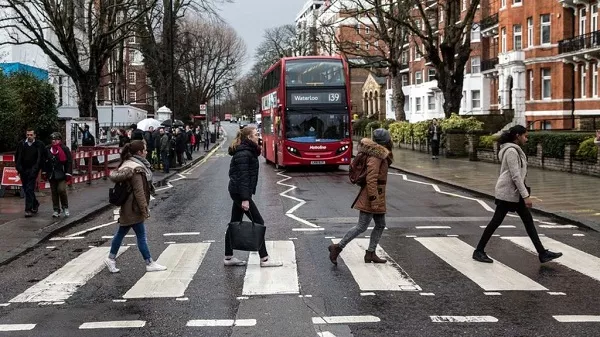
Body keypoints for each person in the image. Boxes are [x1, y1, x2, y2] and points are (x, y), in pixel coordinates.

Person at [473, 125, 562, 264]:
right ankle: (478, 251)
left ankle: (542, 253)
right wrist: (526, 196)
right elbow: (515, 176)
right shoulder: (511, 151)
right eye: (525, 136)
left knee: (528, 221)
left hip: (513, 192)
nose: (526, 139)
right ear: (517, 136)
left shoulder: (513, 150)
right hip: (508, 192)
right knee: (496, 222)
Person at [328, 128, 393, 265]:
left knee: (380, 224)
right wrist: (374, 199)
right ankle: (338, 247)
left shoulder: (381, 154)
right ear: (385, 141)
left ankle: (370, 253)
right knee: (361, 226)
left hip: (377, 194)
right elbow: (371, 178)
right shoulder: (376, 156)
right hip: (372, 195)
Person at [104, 140, 166, 273]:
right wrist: (144, 209)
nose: (147, 151)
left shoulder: (129, 163)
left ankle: (111, 259)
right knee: (140, 235)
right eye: (145, 149)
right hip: (133, 207)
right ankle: (149, 263)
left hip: (128, 207)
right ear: (139, 152)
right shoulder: (136, 168)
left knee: (122, 233)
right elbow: (139, 192)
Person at [224, 126, 282, 267]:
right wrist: (245, 198)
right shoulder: (244, 153)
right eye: (256, 134)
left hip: (238, 191)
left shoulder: (248, 151)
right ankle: (264, 259)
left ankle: (228, 256)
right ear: (249, 138)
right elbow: (243, 177)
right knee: (258, 222)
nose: (259, 136)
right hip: (240, 192)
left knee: (234, 222)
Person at [15, 128, 45, 217]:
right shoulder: (22, 144)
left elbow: (41, 158)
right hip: (23, 169)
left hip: (33, 170)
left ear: (34, 135)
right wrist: (18, 167)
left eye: (31, 135)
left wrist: (37, 169)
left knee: (29, 188)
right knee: (26, 188)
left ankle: (28, 209)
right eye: (28, 135)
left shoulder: (39, 144)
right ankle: (35, 203)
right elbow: (17, 156)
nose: (29, 137)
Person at [42, 132, 73, 218]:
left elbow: (69, 162)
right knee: (54, 192)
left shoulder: (64, 149)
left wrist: (68, 173)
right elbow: (44, 161)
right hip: (51, 174)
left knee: (61, 190)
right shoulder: (47, 149)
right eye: (52, 139)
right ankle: (56, 210)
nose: (54, 141)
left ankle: (65, 207)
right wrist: (44, 172)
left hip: (62, 173)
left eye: (56, 139)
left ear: (60, 140)